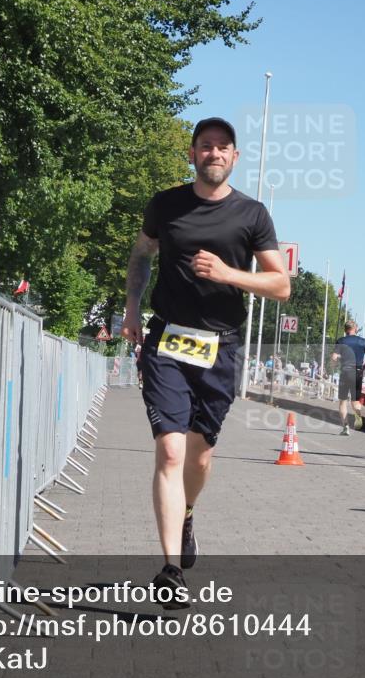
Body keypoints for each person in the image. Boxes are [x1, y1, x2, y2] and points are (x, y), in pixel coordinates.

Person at [121, 117, 291, 606]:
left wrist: (229, 274)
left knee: (199, 455)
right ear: (192, 155)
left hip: (222, 347)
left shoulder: (252, 214)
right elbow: (141, 254)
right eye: (205, 146)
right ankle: (171, 571)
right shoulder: (167, 205)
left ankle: (188, 511)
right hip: (167, 341)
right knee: (171, 451)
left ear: (234, 157)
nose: (214, 153)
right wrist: (132, 309)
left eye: (223, 147)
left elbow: (280, 285)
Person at [331, 320, 365, 435]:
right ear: (356, 328)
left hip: (345, 371)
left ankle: (346, 428)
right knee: (355, 401)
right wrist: (364, 366)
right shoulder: (363, 341)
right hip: (358, 372)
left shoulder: (341, 341)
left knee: (343, 402)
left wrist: (337, 362)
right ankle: (358, 416)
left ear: (345, 330)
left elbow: (334, 358)